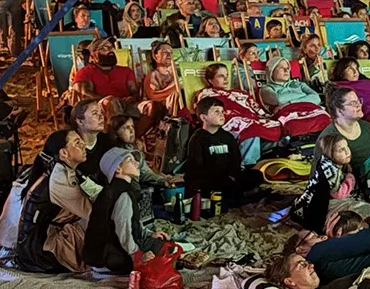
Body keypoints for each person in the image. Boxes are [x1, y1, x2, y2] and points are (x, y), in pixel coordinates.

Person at [14, 130, 93, 273]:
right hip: (40, 251)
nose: (84, 145)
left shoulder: (61, 170)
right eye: (77, 143)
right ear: (64, 153)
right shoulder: (59, 179)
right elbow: (91, 212)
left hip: (37, 243)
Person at [83, 146, 169, 274]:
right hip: (110, 258)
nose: (136, 163)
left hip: (101, 255)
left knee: (158, 241)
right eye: (129, 160)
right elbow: (123, 229)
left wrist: (148, 234)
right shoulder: (123, 194)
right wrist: (136, 256)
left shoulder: (112, 190)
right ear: (118, 169)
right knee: (163, 247)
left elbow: (132, 222)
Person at [289, 130, 370, 233]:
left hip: (320, 204)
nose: (347, 152)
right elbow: (339, 195)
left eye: (347, 147)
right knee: (364, 210)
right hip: (315, 210)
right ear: (330, 153)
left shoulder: (331, 162)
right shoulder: (329, 170)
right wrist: (350, 178)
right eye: (341, 150)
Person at [183, 96, 249, 204]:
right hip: (209, 178)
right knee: (202, 185)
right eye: (216, 111)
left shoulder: (227, 137)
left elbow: (236, 159)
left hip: (228, 176)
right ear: (204, 117)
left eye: (222, 111)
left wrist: (233, 174)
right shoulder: (197, 139)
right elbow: (196, 165)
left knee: (255, 176)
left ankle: (232, 192)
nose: (222, 114)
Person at [317, 86, 370, 170]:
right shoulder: (328, 137)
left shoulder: (368, 127)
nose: (359, 105)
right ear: (339, 110)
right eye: (353, 103)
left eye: (359, 101)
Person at [72, 38, 138, 102]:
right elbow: (85, 94)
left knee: (144, 106)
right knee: (110, 104)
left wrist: (133, 98)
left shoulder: (126, 71)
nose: (111, 50)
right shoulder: (85, 72)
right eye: (105, 48)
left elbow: (135, 92)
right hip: (97, 105)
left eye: (112, 47)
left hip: (127, 104)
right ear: (94, 54)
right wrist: (112, 100)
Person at [259, 55, 323, 110]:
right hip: (289, 115)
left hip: (310, 111)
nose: (286, 70)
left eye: (287, 68)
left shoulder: (299, 84)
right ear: (271, 72)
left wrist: (290, 103)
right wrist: (304, 95)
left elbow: (316, 98)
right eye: (281, 68)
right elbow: (279, 100)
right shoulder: (266, 89)